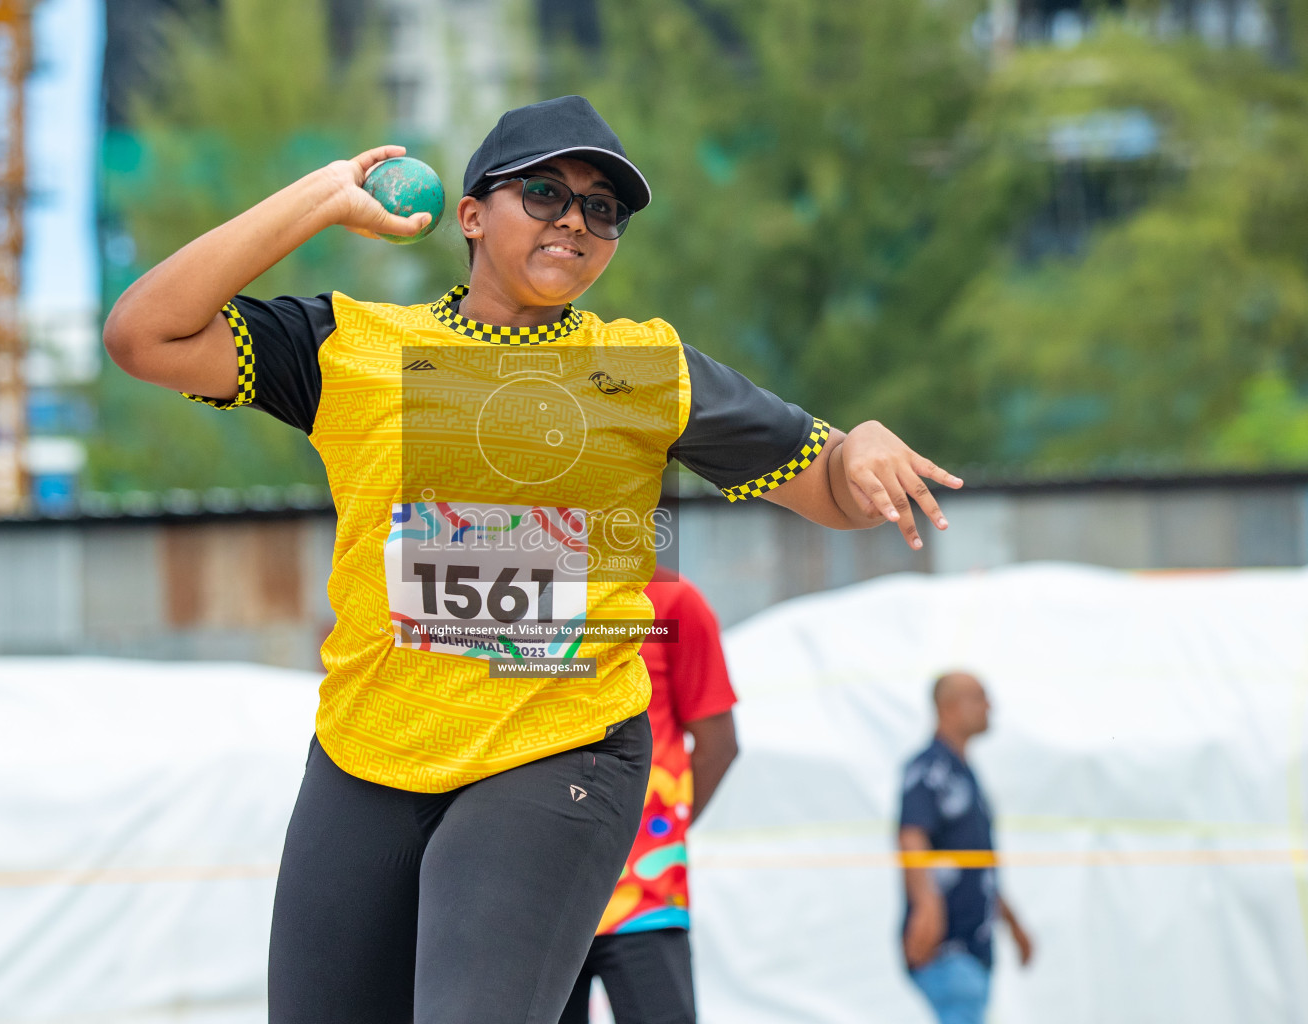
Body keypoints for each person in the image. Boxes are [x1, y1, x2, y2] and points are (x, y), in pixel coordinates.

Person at [104, 93, 962, 1024]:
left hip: (558, 750)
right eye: (546, 192)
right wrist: (320, 200)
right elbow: (144, 335)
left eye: (604, 210)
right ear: (471, 215)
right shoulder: (358, 348)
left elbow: (826, 484)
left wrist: (860, 443)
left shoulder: (646, 368)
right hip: (367, 754)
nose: (576, 221)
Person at [559, 570, 738, 1024]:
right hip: (536, 898)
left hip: (644, 898)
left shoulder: (671, 597)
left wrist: (657, 832)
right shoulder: (508, 597)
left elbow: (718, 744)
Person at [899, 671, 1034, 1024]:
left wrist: (1013, 923)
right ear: (949, 707)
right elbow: (912, 835)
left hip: (974, 949)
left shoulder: (963, 774)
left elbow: (978, 863)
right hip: (948, 946)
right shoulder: (929, 769)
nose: (990, 706)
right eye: (979, 697)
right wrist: (926, 904)